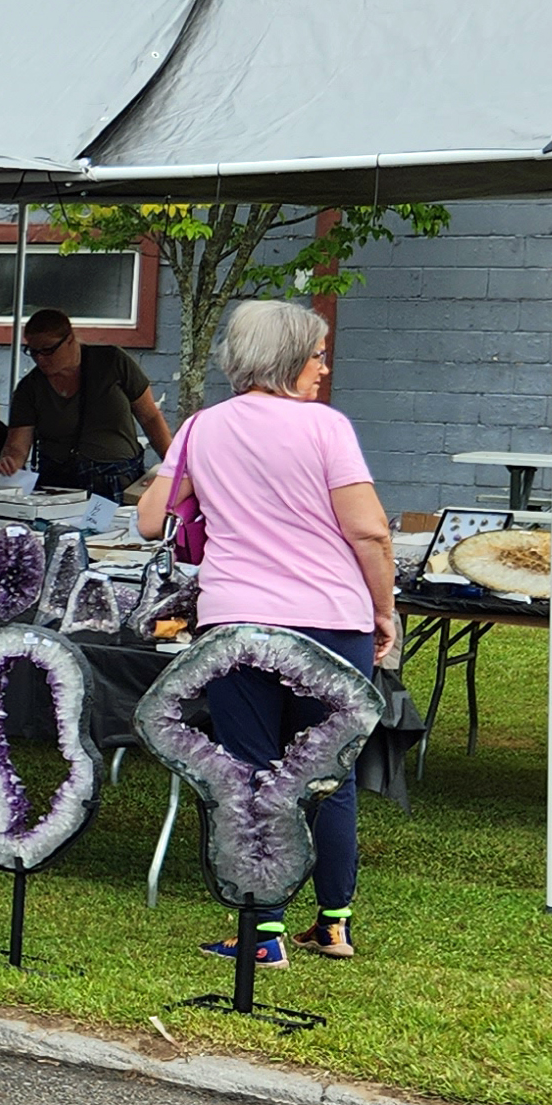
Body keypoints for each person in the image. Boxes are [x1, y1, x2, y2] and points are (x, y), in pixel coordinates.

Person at [134, 299, 397, 965]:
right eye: (316, 354)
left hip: (240, 621)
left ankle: (262, 933)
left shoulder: (199, 427)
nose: (323, 365)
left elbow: (148, 521)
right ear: (286, 358)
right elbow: (367, 529)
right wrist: (383, 610)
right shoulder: (324, 428)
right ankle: (333, 923)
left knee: (251, 771)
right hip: (333, 619)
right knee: (326, 771)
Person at [0, 309, 173, 497]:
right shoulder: (29, 387)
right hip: (59, 483)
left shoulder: (112, 362)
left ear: (69, 339)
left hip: (116, 478)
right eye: (33, 351)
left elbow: (150, 417)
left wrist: (174, 467)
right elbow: (18, 444)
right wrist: (10, 462)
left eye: (48, 350)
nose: (40, 359)